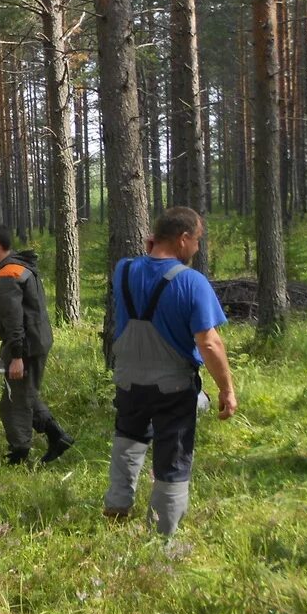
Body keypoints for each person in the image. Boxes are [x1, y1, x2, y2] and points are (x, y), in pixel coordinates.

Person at [104, 206, 237, 536]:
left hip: (128, 381)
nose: (197, 247)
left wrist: (151, 253)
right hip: (173, 388)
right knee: (173, 456)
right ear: (183, 238)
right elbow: (209, 344)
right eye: (197, 240)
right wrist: (227, 389)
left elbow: (144, 270)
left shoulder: (123, 270)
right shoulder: (192, 282)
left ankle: (117, 506)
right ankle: (162, 536)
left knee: (128, 438)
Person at [0, 223, 74, 466]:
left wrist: (18, 355)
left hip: (26, 347)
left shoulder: (8, 275)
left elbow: (14, 320)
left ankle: (20, 454)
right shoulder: (20, 267)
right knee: (24, 393)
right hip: (34, 341)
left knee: (15, 403)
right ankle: (57, 436)